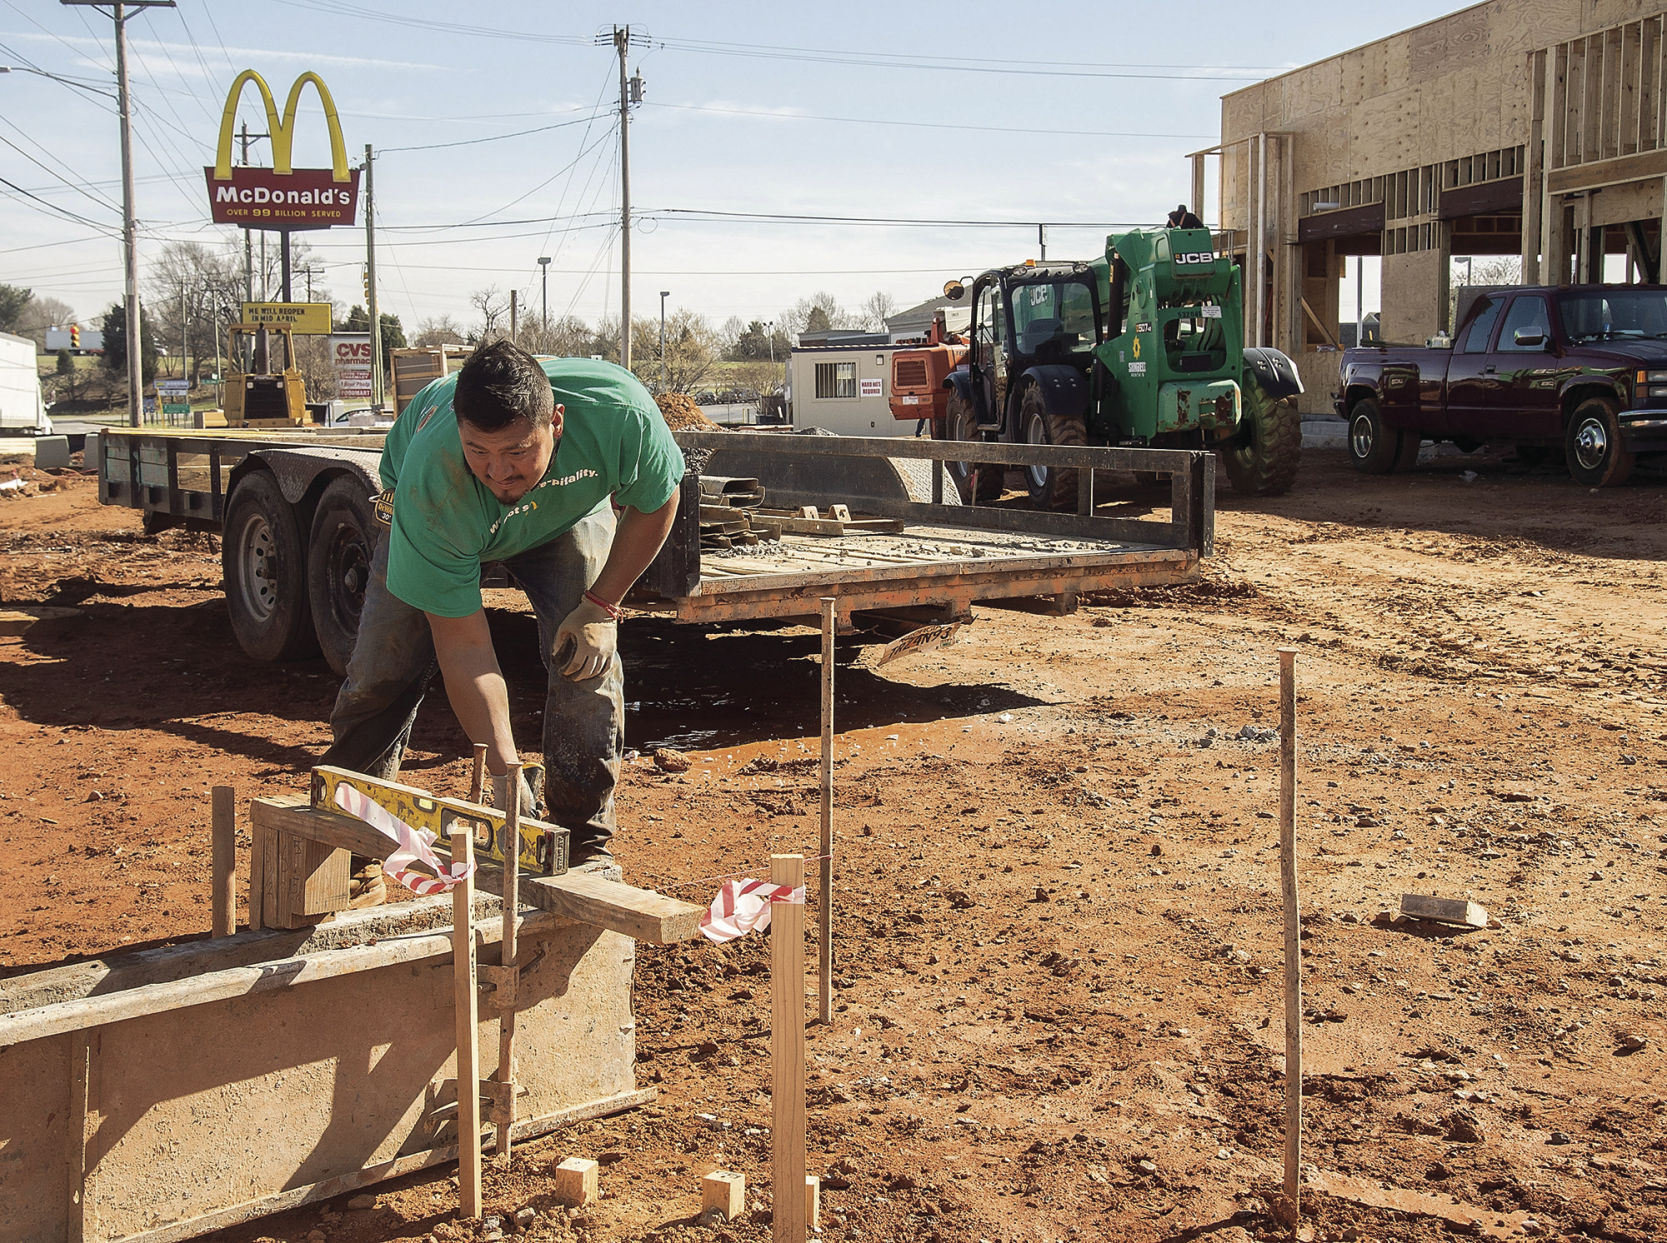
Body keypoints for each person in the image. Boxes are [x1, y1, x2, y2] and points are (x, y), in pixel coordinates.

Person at [321, 339, 684, 892]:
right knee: (383, 669)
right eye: (479, 451)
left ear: (556, 423)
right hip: (436, 518)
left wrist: (600, 606)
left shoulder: (621, 415)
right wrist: (504, 771)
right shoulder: (433, 483)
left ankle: (580, 839)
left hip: (565, 512)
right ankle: (356, 838)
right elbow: (466, 647)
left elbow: (658, 500)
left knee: (586, 658)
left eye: (517, 452)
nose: (497, 473)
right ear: (461, 434)